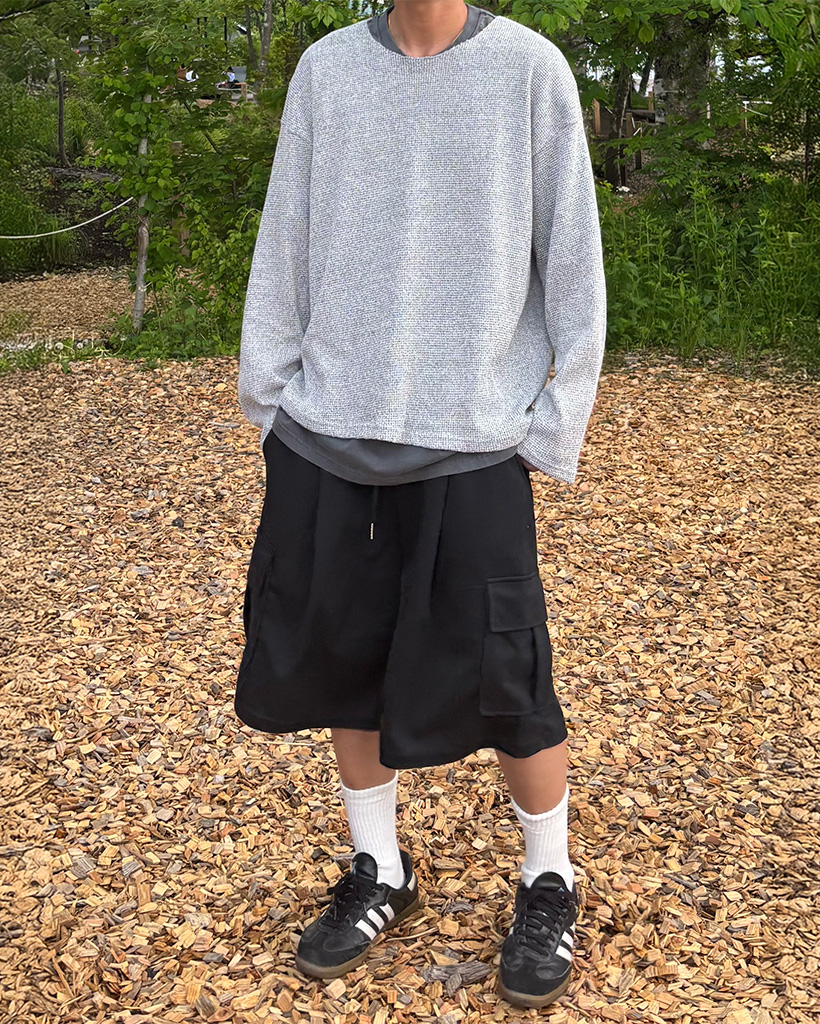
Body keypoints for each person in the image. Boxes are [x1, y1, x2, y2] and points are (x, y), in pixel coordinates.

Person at [235, 0, 606, 1009]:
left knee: (510, 676)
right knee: (341, 662)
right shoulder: (327, 71)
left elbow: (573, 256)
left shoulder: (529, 70)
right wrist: (270, 398)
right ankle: (380, 869)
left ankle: (548, 879)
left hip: (474, 442)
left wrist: (551, 423)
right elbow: (287, 233)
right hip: (327, 432)